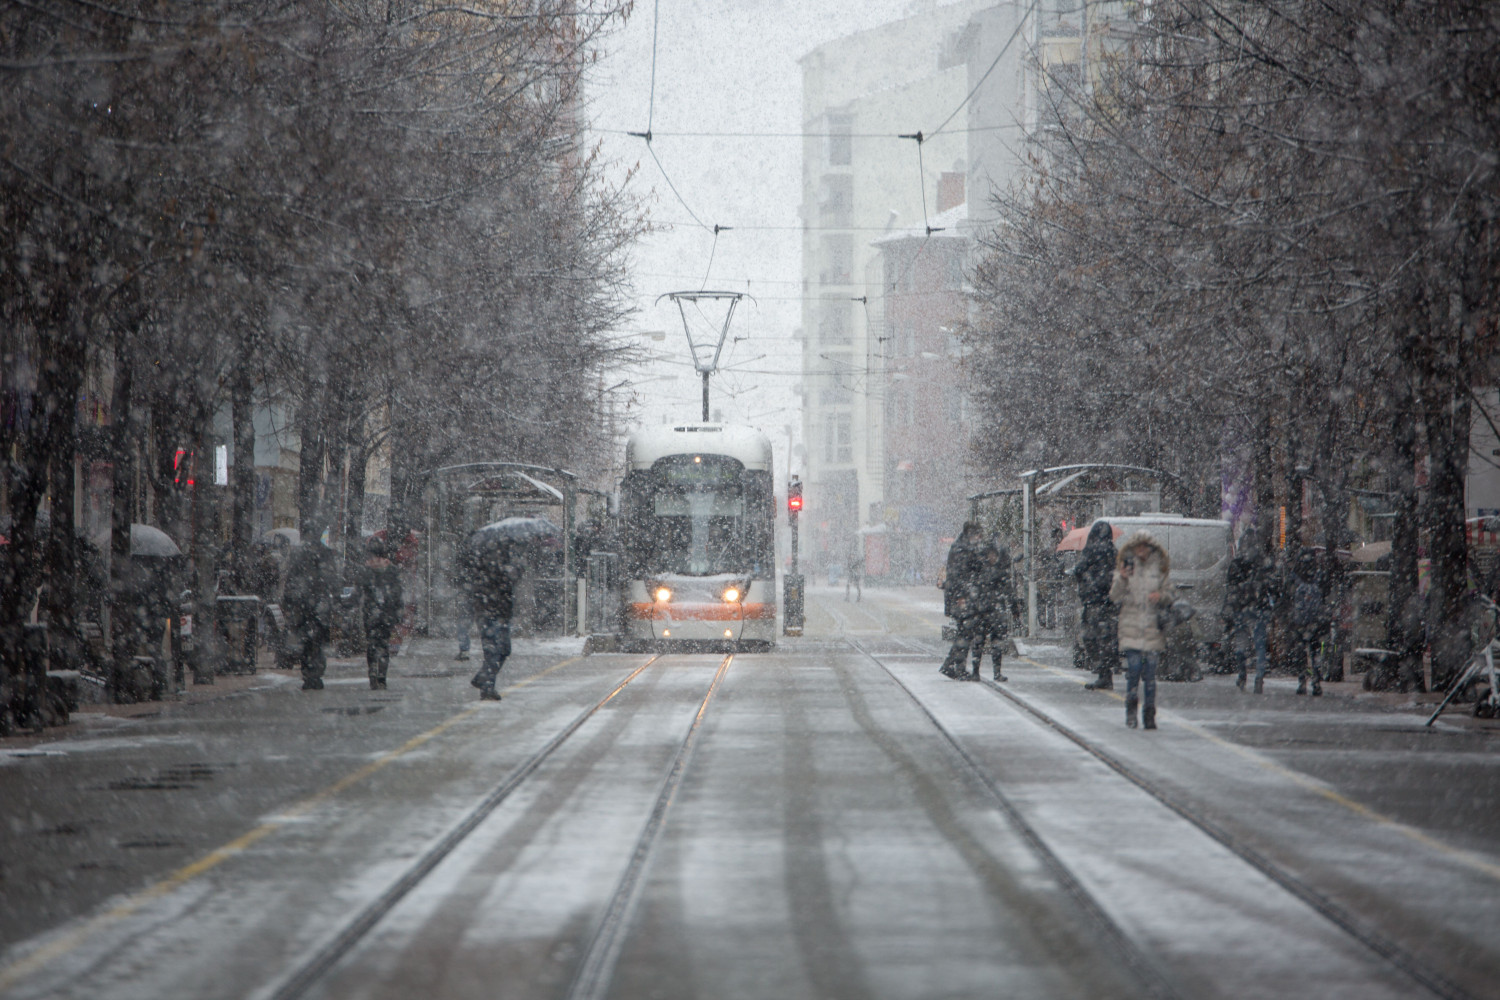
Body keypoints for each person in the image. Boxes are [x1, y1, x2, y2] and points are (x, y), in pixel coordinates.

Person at [1110, 530, 1171, 729]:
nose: (1141, 550)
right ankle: (1131, 711)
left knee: (1150, 677)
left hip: (1152, 629)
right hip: (1131, 628)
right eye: (1138, 547)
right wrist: (1122, 578)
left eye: (1145, 546)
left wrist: (1160, 596)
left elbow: (1170, 592)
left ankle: (1149, 714)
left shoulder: (1159, 568)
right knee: (1134, 671)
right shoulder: (1126, 568)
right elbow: (1114, 596)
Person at [465, 535, 522, 701]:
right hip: (490, 614)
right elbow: (492, 587)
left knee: (504, 650)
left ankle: (482, 678)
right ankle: (487, 687)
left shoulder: (504, 564)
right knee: (493, 652)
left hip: (501, 614)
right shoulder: (488, 566)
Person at [1223, 526, 1274, 693]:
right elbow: (1272, 586)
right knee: (1259, 644)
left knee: (1241, 644)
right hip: (1259, 607)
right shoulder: (1263, 562)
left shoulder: (1237, 563)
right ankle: (1259, 678)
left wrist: (1229, 607)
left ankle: (1242, 673)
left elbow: (1230, 588)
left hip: (1241, 608)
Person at [282, 540, 333, 691]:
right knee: (313, 643)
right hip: (312, 609)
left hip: (306, 609)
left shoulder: (300, 566)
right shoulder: (322, 563)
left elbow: (290, 586)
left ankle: (310, 674)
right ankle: (313, 674)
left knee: (309, 643)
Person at [355, 536, 404, 690]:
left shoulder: (367, 571)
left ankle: (374, 673)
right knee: (382, 644)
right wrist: (398, 612)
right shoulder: (392, 570)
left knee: (373, 644)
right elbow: (398, 594)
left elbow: (358, 592)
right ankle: (381, 676)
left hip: (372, 614)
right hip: (386, 614)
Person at [939, 522, 986, 679]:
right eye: (978, 534)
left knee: (964, 632)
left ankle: (952, 666)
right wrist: (961, 597)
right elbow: (959, 575)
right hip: (961, 599)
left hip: (963, 597)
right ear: (970, 534)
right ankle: (955, 667)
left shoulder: (963, 547)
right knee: (964, 633)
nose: (980, 538)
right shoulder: (962, 549)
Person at [1076, 521, 1119, 690]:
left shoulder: (1091, 549)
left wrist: (1085, 582)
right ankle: (1106, 671)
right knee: (1107, 638)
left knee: (1090, 636)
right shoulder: (1114, 551)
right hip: (1110, 601)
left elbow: (1080, 569)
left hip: (1094, 601)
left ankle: (1102, 669)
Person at [969, 541, 1020, 681]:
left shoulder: (986, 572)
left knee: (993, 643)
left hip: (991, 613)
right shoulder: (992, 571)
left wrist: (1014, 607)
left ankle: (994, 672)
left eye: (995, 555)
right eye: (991, 554)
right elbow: (1009, 591)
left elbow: (1009, 592)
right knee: (981, 642)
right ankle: (978, 672)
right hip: (988, 612)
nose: (993, 557)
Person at [1289, 546, 1329, 696]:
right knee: (1315, 652)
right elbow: (1326, 594)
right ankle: (1316, 682)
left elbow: (1288, 596)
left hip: (1300, 622)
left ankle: (1302, 681)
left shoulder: (1295, 576)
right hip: (1315, 622)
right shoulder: (1319, 575)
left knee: (1301, 653)